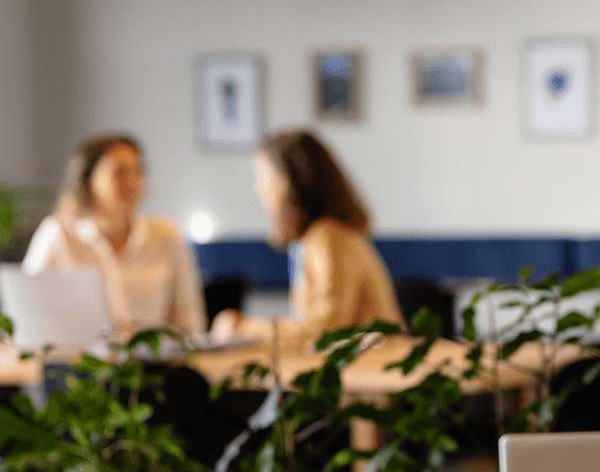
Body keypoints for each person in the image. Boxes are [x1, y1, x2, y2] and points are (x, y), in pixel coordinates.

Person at [210, 130, 403, 347]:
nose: (258, 189)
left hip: (372, 373)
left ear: (286, 182)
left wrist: (242, 328)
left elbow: (323, 331)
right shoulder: (319, 238)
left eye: (263, 177)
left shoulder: (328, 238)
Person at [23, 133, 206, 337]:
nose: (132, 181)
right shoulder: (57, 233)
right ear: (89, 179)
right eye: (120, 172)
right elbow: (25, 311)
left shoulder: (166, 234)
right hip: (78, 363)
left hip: (154, 364)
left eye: (138, 171)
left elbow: (189, 318)